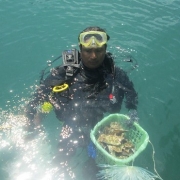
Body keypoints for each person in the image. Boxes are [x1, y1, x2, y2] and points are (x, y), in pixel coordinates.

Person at [25, 26, 138, 179]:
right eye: (88, 51)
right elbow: (39, 95)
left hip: (101, 127)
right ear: (80, 49)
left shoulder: (116, 74)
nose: (93, 56)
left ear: (105, 49)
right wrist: (31, 119)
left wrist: (132, 110)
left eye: (98, 51)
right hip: (70, 125)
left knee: (95, 169)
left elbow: (131, 93)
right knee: (60, 160)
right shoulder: (64, 72)